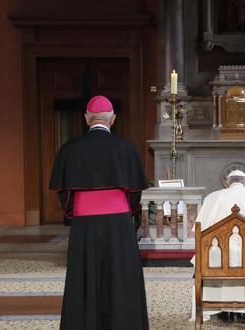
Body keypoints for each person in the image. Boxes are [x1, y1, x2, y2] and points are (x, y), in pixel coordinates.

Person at [49, 95, 149, 330]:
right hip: (119, 226)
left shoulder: (69, 149)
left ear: (87, 119)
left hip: (84, 227)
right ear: (112, 119)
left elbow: (64, 195)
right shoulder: (126, 148)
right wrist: (128, 215)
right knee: (120, 278)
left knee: (84, 279)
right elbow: (135, 195)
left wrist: (80, 212)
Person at [191, 170, 245, 324]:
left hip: (216, 263)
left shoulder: (212, 198)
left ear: (227, 183)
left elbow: (198, 233)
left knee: (212, 254)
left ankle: (222, 310)